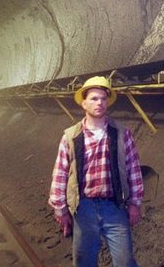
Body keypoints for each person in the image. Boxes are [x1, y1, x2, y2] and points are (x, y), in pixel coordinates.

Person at [48, 76, 144, 267]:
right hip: (83, 208)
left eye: (103, 98)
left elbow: (133, 168)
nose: (99, 102)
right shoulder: (71, 136)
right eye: (93, 98)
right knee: (84, 262)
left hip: (114, 207)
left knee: (125, 261)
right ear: (83, 103)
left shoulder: (121, 133)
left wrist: (135, 203)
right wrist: (60, 207)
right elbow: (60, 172)